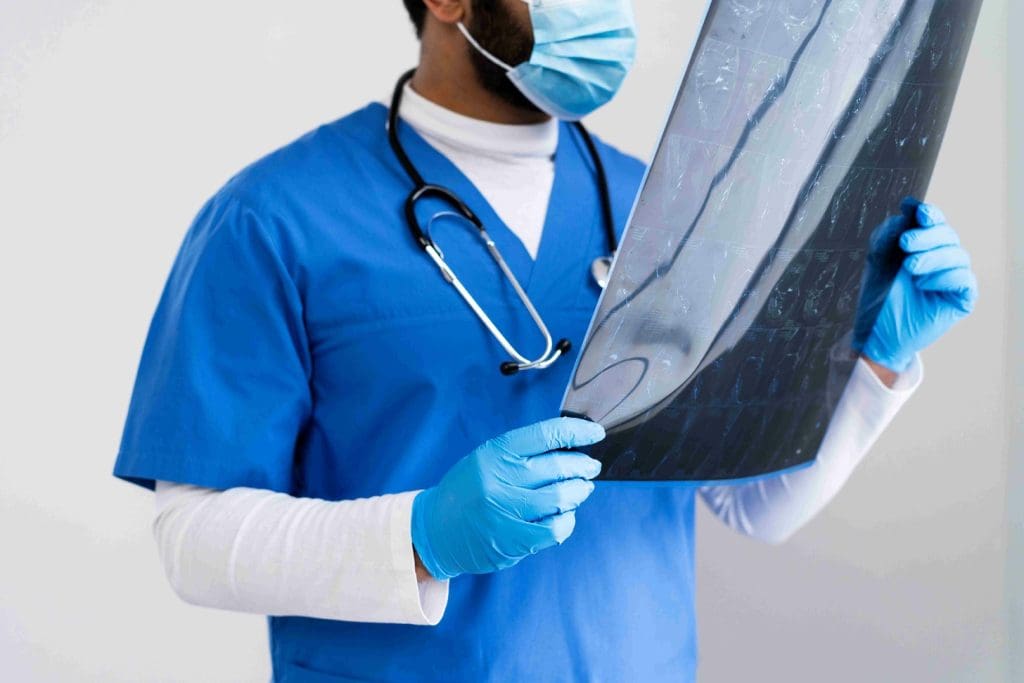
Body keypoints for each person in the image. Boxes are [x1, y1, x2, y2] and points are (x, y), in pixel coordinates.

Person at [112, 1, 979, 680]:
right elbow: (192, 539)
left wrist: (872, 364)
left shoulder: (672, 211)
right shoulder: (272, 219)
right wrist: (420, 535)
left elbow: (755, 506)